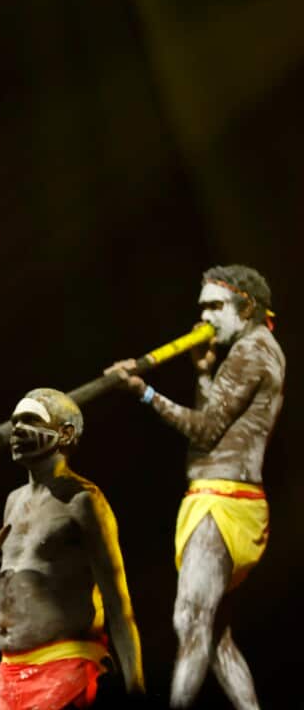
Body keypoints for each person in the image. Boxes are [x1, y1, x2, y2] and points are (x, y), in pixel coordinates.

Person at [107, 264, 283, 709]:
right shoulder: (260, 350)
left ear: (246, 307)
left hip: (222, 502)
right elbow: (219, 425)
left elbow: (204, 431)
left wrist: (143, 392)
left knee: (189, 619)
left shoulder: (249, 353)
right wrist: (204, 376)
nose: (204, 317)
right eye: (201, 307)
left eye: (215, 306)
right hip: (228, 498)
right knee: (215, 635)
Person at [0, 389, 145, 710]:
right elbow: (17, 599)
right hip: (9, 676)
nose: (16, 431)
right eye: (14, 422)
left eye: (30, 420)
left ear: (65, 433)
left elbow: (118, 604)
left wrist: (136, 691)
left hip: (65, 671)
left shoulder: (84, 501)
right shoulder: (13, 501)